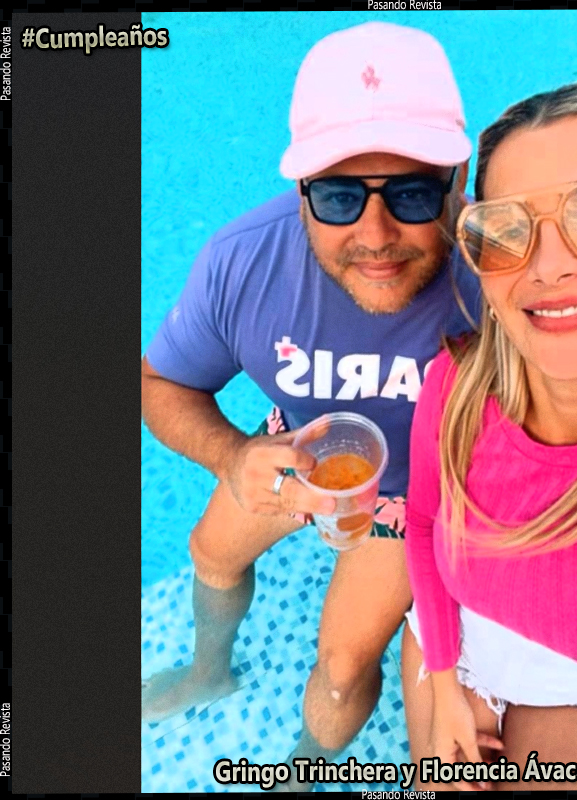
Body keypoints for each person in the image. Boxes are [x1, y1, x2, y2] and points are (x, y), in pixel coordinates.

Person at [140, 20, 480, 790]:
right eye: (337, 196)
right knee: (210, 553)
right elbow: (161, 384)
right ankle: (208, 672)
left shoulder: (501, 277)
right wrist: (233, 454)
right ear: (300, 194)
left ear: (459, 179)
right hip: (302, 453)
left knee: (341, 664)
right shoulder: (244, 261)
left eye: (413, 192)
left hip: (418, 497)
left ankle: (303, 767)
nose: (376, 235)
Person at [402, 79, 577, 790]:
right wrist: (445, 681)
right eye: (507, 230)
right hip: (460, 650)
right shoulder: (455, 390)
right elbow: (422, 523)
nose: (548, 267)